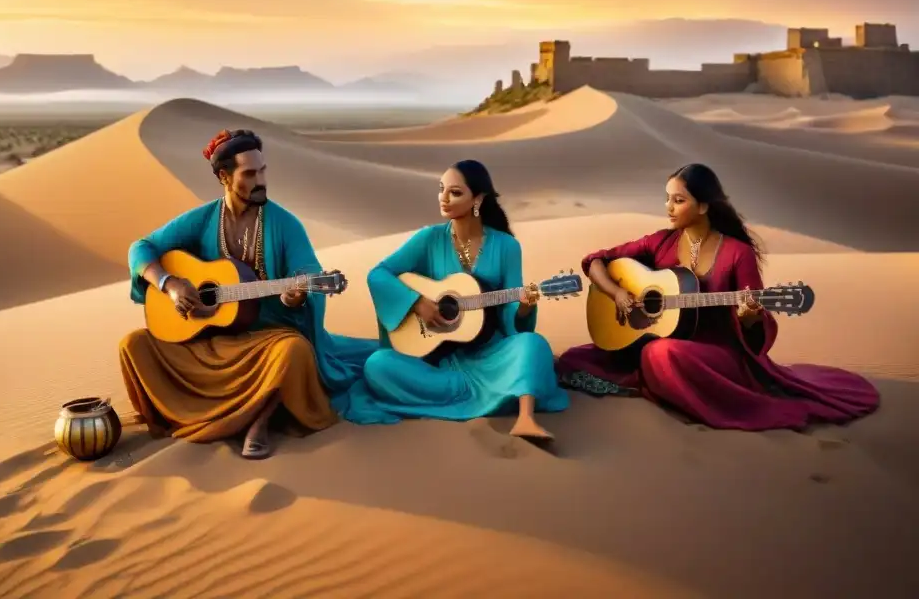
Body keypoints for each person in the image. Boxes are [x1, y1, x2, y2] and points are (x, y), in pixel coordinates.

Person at [556, 163, 880, 430]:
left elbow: (758, 331)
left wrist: (749, 316)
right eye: (667, 198)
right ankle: (658, 381)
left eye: (678, 201)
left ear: (704, 206)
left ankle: (672, 387)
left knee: (660, 354)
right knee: (576, 358)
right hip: (659, 338)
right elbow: (595, 261)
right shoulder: (660, 242)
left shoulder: (737, 253)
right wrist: (618, 293)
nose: (668, 208)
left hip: (718, 353)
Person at [119, 128, 378, 457]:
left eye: (263, 170)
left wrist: (297, 295)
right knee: (134, 345)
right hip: (209, 338)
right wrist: (169, 284)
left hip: (266, 339)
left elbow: (307, 274)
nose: (261, 180)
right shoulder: (203, 219)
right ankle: (179, 415)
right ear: (225, 177)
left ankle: (258, 419)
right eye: (250, 173)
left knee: (293, 353)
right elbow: (140, 249)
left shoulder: (284, 224)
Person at [348, 160, 569, 439]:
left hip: (490, 356)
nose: (443, 198)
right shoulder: (428, 239)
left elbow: (511, 315)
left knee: (533, 345)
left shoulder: (506, 246)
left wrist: (524, 306)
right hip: (438, 362)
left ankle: (525, 419)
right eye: (441, 190)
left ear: (477, 199)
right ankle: (490, 395)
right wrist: (417, 302)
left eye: (454, 192)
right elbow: (378, 275)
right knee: (378, 366)